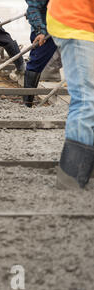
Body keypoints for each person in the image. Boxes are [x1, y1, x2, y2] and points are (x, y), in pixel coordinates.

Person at [47, 0, 94, 190]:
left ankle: (86, 171)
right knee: (85, 100)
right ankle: (70, 179)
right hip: (76, 21)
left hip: (82, 20)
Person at [23, 0, 58, 108]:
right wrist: (40, 30)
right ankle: (27, 104)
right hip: (46, 30)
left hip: (69, 28)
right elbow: (33, 8)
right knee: (36, 63)